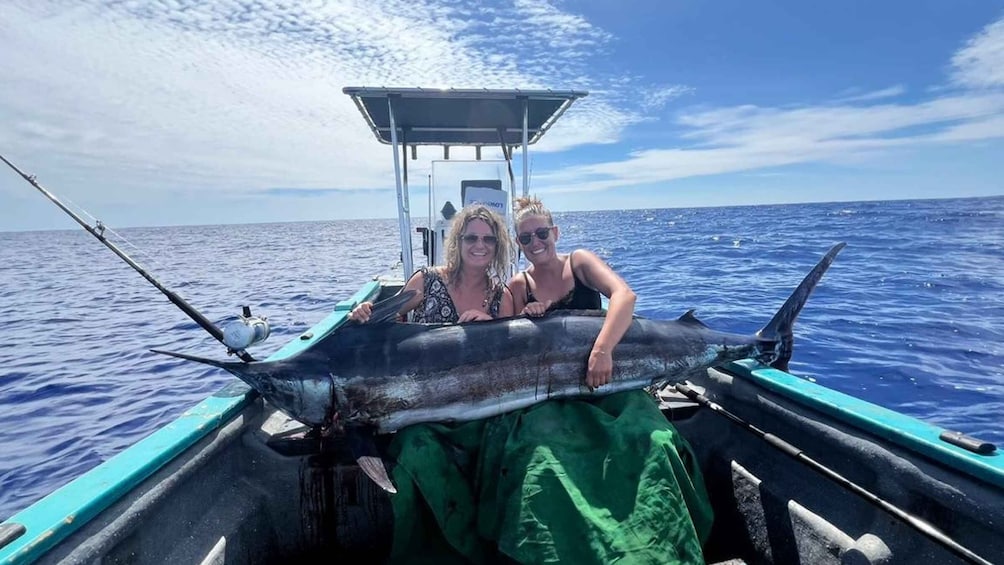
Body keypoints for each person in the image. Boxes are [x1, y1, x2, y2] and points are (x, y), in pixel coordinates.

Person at [507, 195, 637, 389]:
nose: (535, 243)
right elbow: (511, 348)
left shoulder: (579, 262)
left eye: (542, 233)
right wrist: (524, 317)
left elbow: (625, 296)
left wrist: (602, 351)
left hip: (602, 379)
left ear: (555, 233)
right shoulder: (519, 285)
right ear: (519, 243)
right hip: (549, 388)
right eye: (526, 238)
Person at [348, 204, 515, 324]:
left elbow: (509, 353)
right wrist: (366, 311)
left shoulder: (502, 297)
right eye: (471, 238)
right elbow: (386, 315)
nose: (480, 245)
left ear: (497, 246)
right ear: (458, 242)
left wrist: (489, 328)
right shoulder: (425, 281)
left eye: (489, 239)